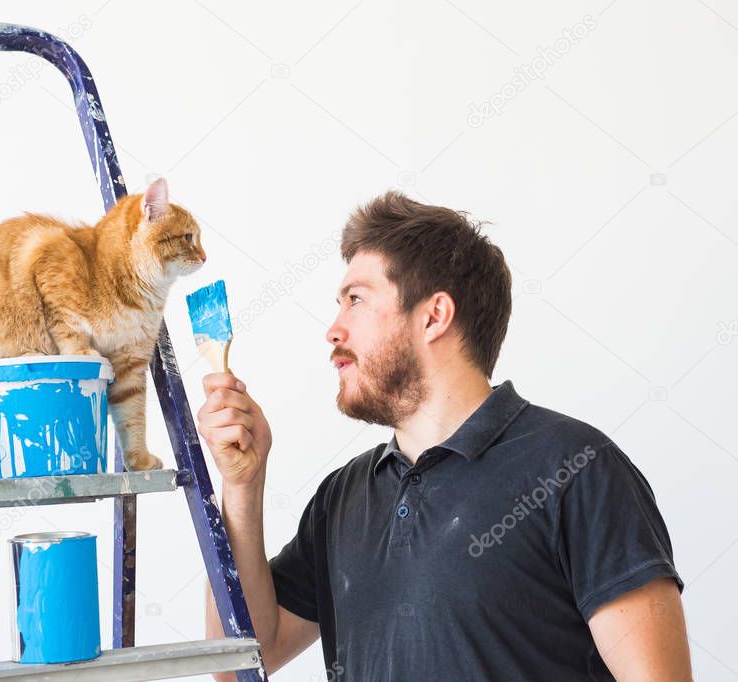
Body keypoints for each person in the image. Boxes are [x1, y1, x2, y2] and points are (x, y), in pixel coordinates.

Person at [198, 191, 691, 680]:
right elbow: (242, 659)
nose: (333, 330)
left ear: (434, 316)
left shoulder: (578, 468)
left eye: (356, 300)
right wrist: (243, 485)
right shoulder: (342, 498)